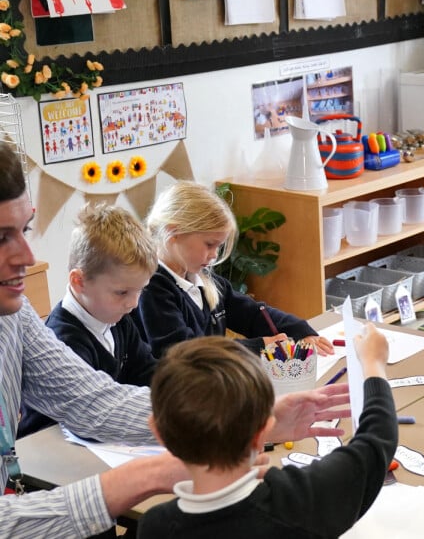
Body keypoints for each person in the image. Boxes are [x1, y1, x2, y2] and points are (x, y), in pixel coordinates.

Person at [0, 143, 350, 536]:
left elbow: (94, 400)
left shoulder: (13, 316)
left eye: (25, 229)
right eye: (1, 237)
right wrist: (149, 473)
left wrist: (243, 420)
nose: (28, 257)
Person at [137, 323, 397, 538]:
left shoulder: (154, 527)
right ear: (265, 429)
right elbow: (376, 441)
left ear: (157, 431)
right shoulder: (299, 502)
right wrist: (373, 365)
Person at [131, 181, 334, 359]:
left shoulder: (204, 279)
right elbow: (183, 351)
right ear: (173, 232)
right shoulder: (152, 287)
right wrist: (260, 347)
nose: (214, 255)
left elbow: (253, 314)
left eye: (219, 246)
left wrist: (301, 332)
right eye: (209, 244)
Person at [18, 203, 159, 438]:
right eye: (122, 292)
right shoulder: (63, 337)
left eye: (140, 291)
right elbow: (83, 415)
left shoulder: (118, 319)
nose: (134, 303)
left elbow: (148, 371)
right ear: (79, 282)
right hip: (53, 448)